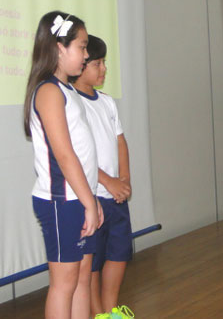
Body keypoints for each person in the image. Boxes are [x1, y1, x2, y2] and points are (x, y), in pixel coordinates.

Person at [23, 11, 101, 319]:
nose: (86, 54)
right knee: (64, 283)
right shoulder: (48, 91)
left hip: (78, 198)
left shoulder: (67, 89)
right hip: (61, 202)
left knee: (82, 278)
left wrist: (91, 198)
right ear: (59, 48)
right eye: (81, 47)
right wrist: (88, 202)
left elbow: (80, 153)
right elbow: (65, 155)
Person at [71, 36, 133, 316]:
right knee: (92, 261)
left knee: (119, 253)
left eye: (104, 63)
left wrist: (124, 180)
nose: (104, 69)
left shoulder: (107, 102)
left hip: (115, 196)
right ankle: (99, 313)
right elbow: (76, 156)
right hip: (92, 197)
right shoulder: (72, 103)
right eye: (97, 64)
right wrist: (108, 181)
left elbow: (120, 142)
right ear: (81, 65)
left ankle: (111, 309)